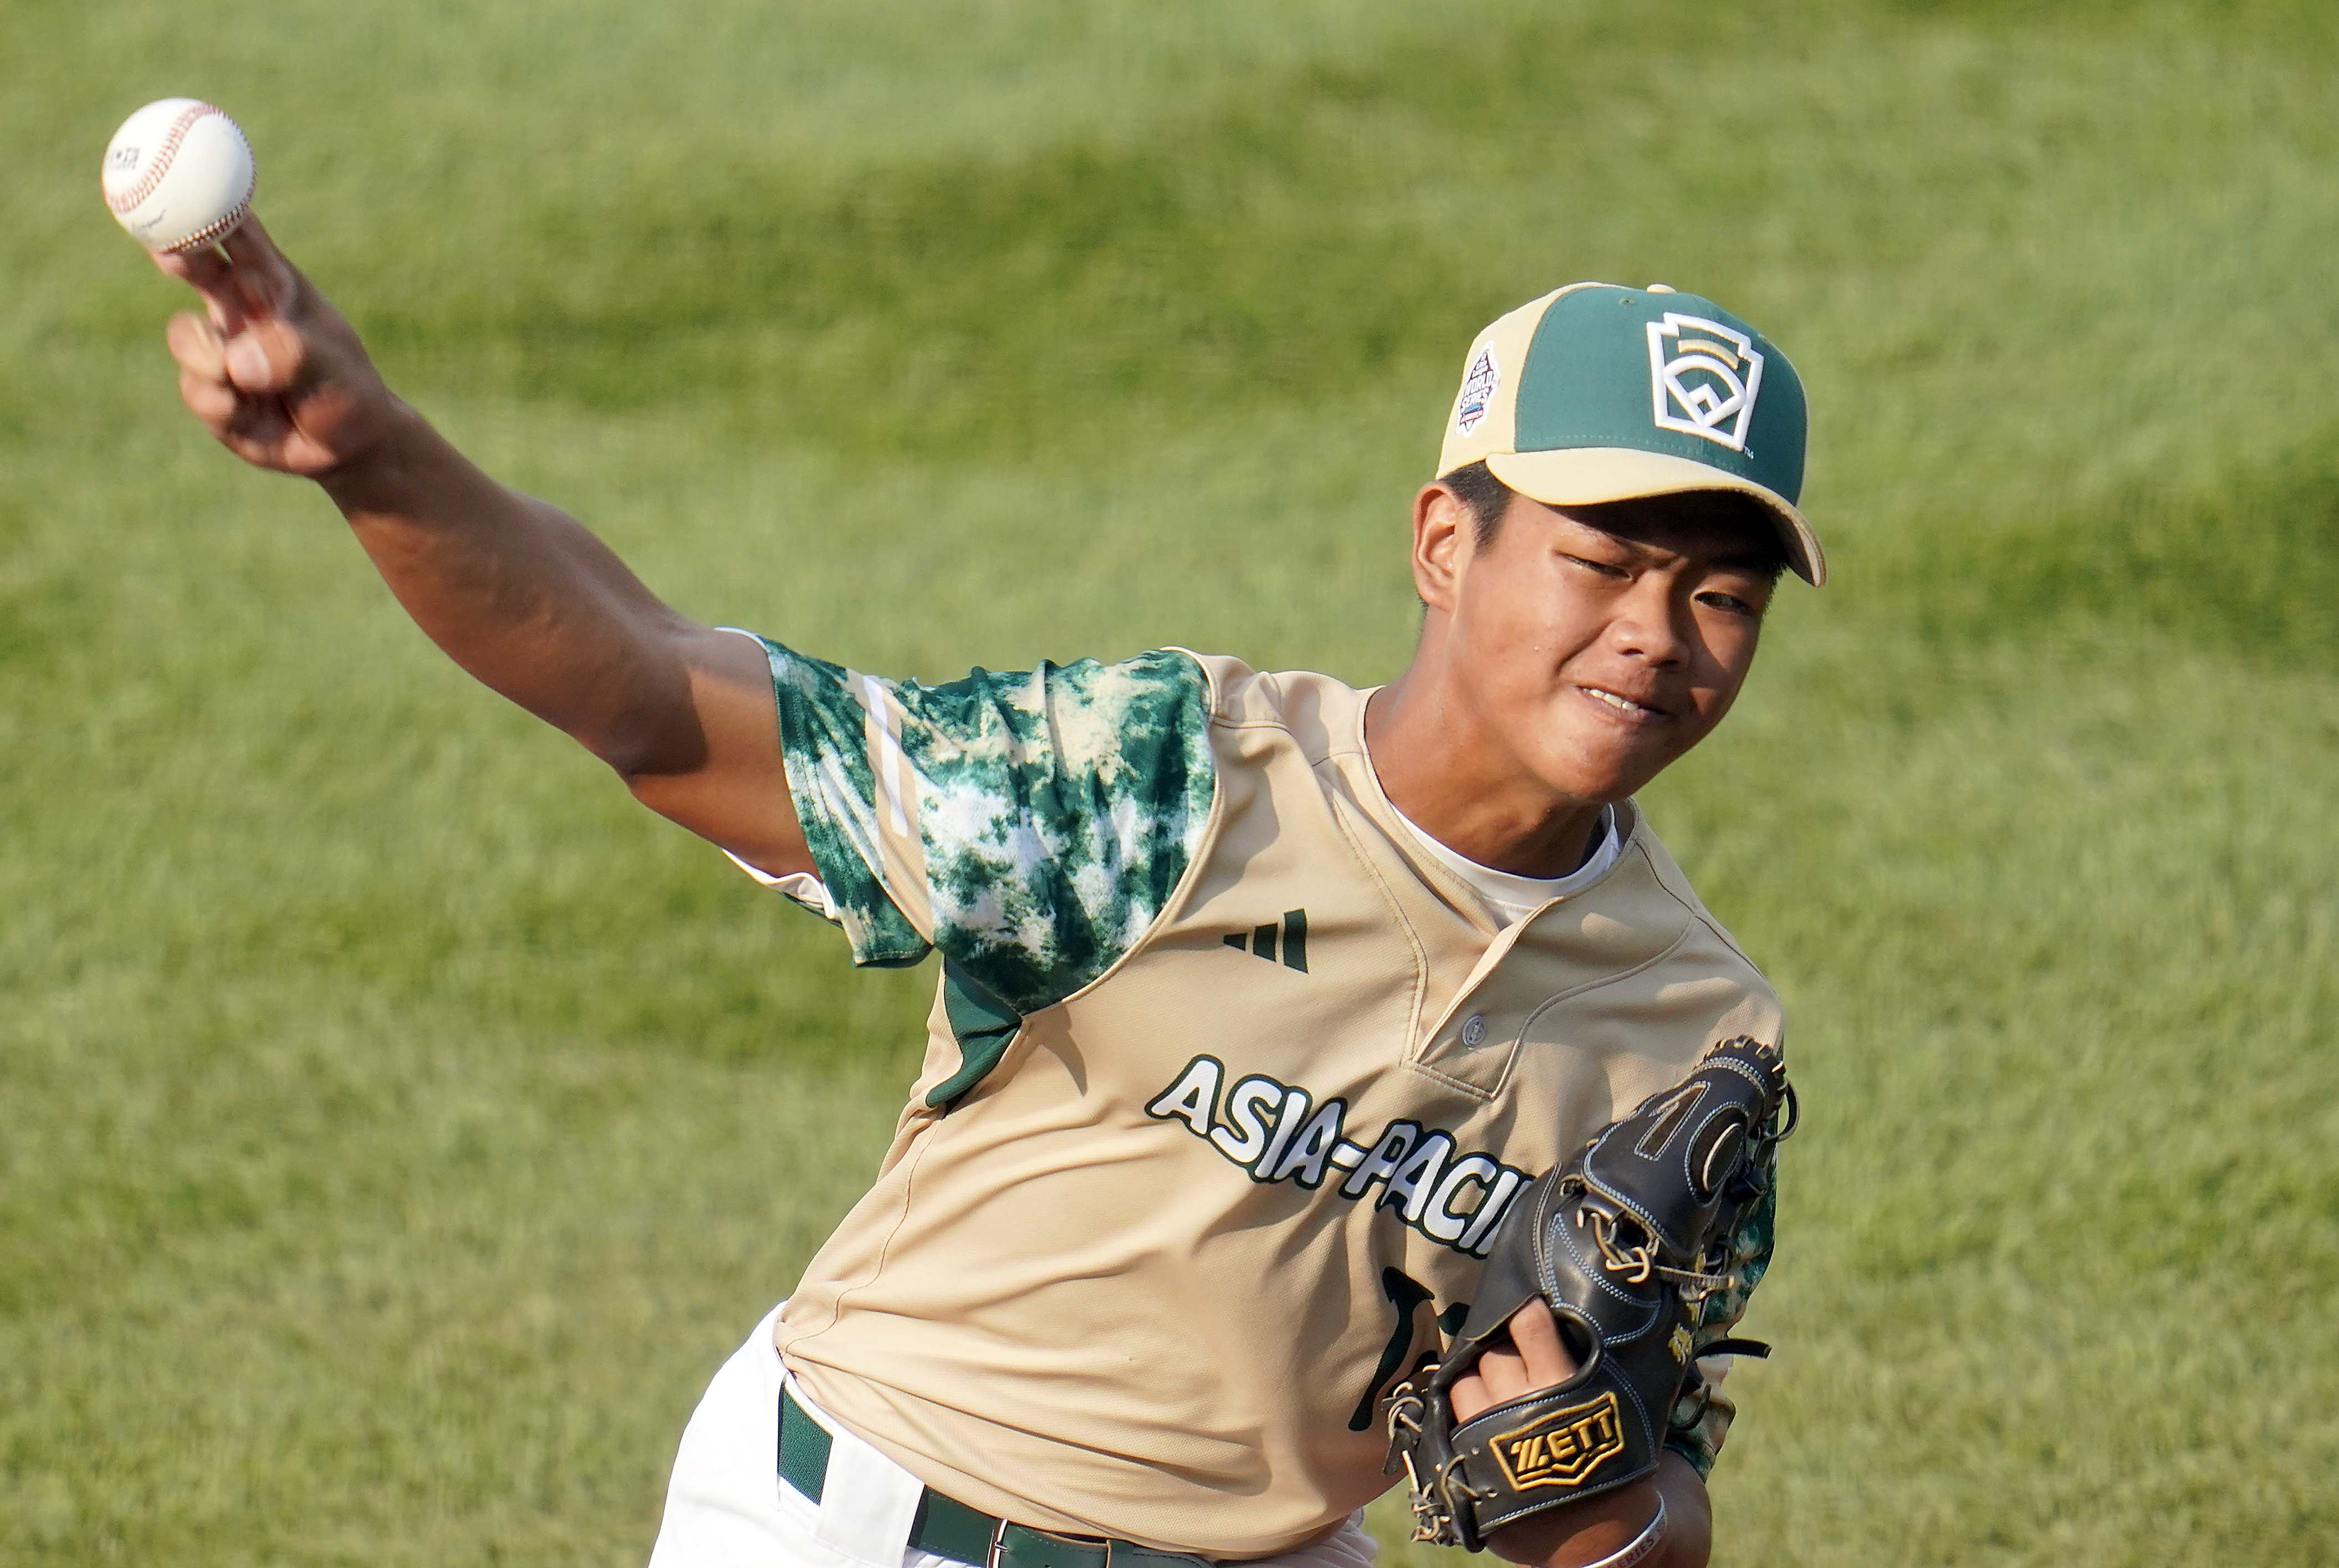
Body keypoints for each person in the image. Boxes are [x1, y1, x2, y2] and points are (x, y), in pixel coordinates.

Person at [152, 218, 1823, 1568]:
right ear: (1444, 545)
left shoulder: (1694, 1029)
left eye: (1720, 596)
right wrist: (370, 456)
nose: (1653, 639)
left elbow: (1663, 1485)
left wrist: (1605, 1523)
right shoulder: (1171, 779)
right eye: (1600, 562)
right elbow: (659, 700)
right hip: (868, 1523)